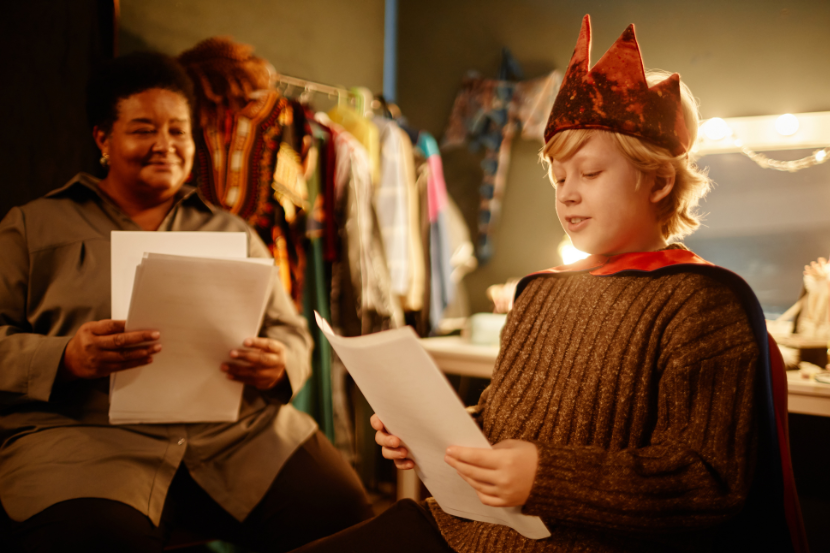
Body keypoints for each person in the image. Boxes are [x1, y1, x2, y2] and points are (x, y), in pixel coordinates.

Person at [290, 15, 806, 553]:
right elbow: (505, 419)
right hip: (462, 529)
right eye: (558, 177)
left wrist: (544, 477)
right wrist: (433, 436)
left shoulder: (701, 305)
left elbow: (705, 481)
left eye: (590, 173)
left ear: (658, 180)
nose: (567, 194)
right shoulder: (539, 292)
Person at [0, 52, 372, 553]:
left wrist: (277, 362)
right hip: (86, 442)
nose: (165, 146)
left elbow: (290, 332)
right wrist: (64, 357)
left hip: (235, 436)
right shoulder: (32, 227)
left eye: (179, 131)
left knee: (340, 506)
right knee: (98, 538)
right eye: (143, 129)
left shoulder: (230, 230)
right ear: (102, 139)